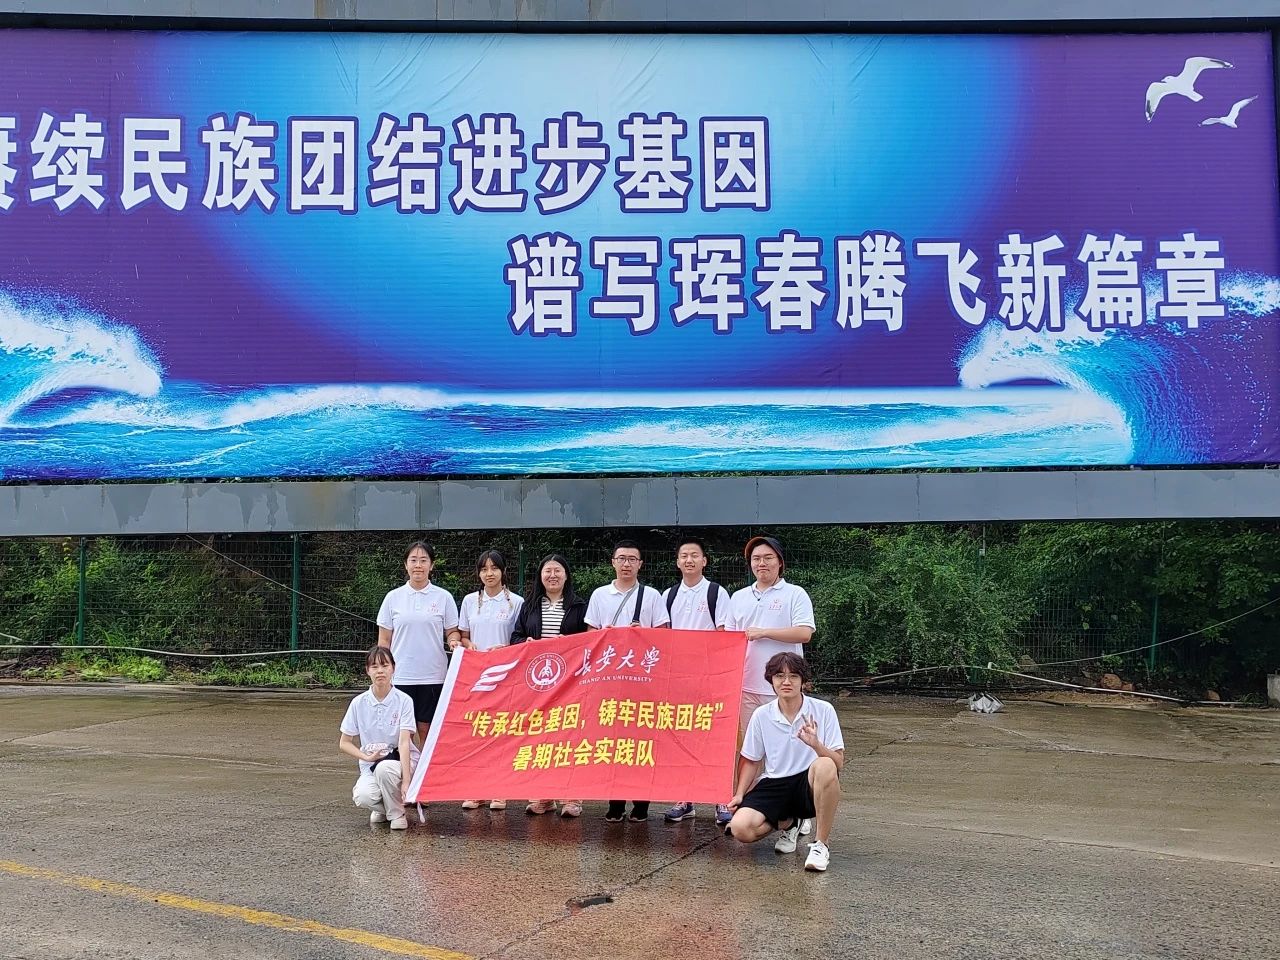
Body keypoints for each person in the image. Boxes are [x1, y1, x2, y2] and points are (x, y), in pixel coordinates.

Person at [724, 534, 816, 836]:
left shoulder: (795, 594)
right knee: (750, 751)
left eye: (767, 558)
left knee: (791, 750)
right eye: (756, 559)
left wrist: (764, 632)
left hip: (784, 689)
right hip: (746, 686)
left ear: (779, 562)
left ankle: (801, 810)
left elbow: (804, 633)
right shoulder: (739, 597)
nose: (761, 563)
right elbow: (729, 640)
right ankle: (752, 805)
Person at [727, 652, 843, 872]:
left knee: (826, 764)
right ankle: (791, 823)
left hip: (808, 784)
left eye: (793, 676)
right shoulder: (762, 715)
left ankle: (821, 845)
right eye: (779, 676)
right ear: (771, 680)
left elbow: (838, 763)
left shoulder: (823, 710)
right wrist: (740, 794)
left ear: (803, 681)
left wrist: (816, 745)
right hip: (774, 783)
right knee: (740, 828)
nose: (786, 682)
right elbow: (751, 759)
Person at [585, 539, 671, 823]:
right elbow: (590, 635)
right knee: (612, 739)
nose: (626, 564)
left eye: (632, 559)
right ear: (612, 562)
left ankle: (642, 802)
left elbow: (664, 635)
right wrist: (606, 633)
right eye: (621, 558)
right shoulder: (600, 595)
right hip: (610, 678)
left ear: (640, 564)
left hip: (642, 679)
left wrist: (643, 632)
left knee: (641, 740)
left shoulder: (652, 596)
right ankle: (616, 801)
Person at [510, 553, 589, 818]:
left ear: (566, 575)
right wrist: (527, 644)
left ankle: (572, 798)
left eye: (557, 571)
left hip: (571, 683)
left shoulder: (579, 605)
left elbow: (591, 640)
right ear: (540, 576)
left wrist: (570, 644)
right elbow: (516, 637)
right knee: (540, 737)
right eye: (547, 571)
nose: (552, 575)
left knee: (570, 737)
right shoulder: (530, 605)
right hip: (538, 684)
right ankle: (542, 797)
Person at [660, 539, 731, 826]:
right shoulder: (668, 595)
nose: (689, 560)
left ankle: (720, 799)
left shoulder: (716, 593)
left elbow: (725, 634)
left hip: (710, 679)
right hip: (679, 680)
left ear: (704, 561)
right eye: (684, 556)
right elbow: (663, 636)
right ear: (677, 562)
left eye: (694, 555)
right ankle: (684, 798)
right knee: (681, 738)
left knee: (714, 738)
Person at [451, 549, 524, 812]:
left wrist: (505, 650)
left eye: (494, 568)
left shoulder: (517, 602)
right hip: (477, 676)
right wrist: (468, 645)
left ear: (503, 571)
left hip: (506, 676)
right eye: (484, 569)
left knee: (502, 733)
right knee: (477, 731)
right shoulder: (470, 601)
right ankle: (477, 788)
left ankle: (499, 789)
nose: (489, 574)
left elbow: (520, 638)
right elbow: (463, 634)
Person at [377, 540, 461, 747]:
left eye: (423, 560)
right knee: (403, 730)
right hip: (401, 675)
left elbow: (452, 631)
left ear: (431, 565)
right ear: (405, 564)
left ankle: (425, 766)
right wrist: (383, 670)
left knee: (427, 728)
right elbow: (384, 640)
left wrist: (454, 641)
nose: (418, 565)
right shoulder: (393, 598)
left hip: (433, 675)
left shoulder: (443, 597)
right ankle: (404, 766)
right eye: (413, 560)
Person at [339, 645, 417, 830]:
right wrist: (366, 757)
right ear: (367, 670)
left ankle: (397, 814)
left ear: (393, 668)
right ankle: (389, 807)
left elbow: (404, 742)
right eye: (374, 666)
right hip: (371, 764)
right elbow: (344, 742)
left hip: (400, 762)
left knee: (385, 769)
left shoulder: (404, 700)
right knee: (363, 797)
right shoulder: (358, 703)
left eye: (385, 665)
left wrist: (407, 781)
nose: (380, 671)